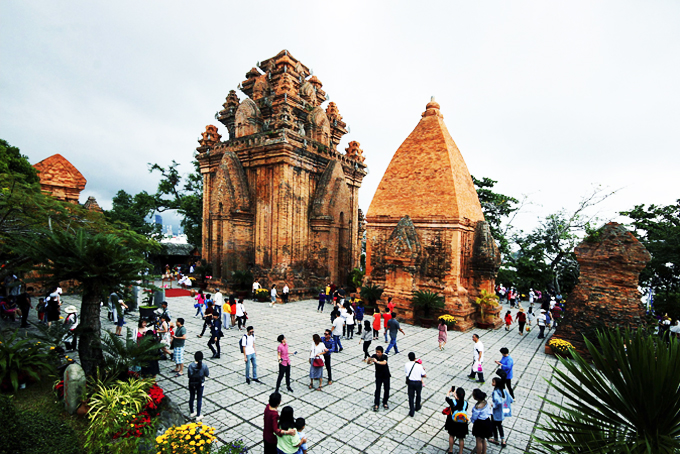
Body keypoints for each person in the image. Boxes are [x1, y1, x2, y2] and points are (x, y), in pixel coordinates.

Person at [489, 377, 513, 447]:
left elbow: (498, 402)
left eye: (493, 382)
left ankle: (496, 439)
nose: (492, 383)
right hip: (502, 413)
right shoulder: (504, 391)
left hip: (496, 412)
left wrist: (494, 405)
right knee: (499, 425)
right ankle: (503, 440)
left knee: (494, 425)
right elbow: (511, 399)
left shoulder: (495, 392)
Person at [445, 386, 469, 454]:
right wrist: (456, 396)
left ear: (457, 395)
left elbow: (447, 398)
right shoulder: (466, 403)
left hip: (453, 422)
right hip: (462, 423)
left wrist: (449, 392)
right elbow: (460, 403)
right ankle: (460, 452)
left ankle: (451, 450)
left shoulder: (452, 402)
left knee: (451, 435)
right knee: (461, 438)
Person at [187, 351, 209, 421]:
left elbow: (189, 375)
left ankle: (192, 412)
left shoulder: (191, 365)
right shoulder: (204, 366)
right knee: (199, 399)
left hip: (192, 383)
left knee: (191, 397)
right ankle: (198, 415)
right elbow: (207, 374)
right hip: (200, 383)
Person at [367, 345, 390, 411]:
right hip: (378, 375)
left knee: (386, 389)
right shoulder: (374, 356)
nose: (377, 353)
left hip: (386, 375)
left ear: (381, 352)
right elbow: (369, 362)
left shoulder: (384, 356)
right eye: (376, 352)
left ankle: (385, 402)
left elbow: (384, 363)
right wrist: (369, 360)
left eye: (378, 352)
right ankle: (376, 403)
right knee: (377, 389)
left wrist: (377, 361)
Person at [470, 388, 493, 454]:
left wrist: (473, 421)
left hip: (480, 424)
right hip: (487, 421)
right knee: (483, 439)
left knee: (478, 441)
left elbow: (474, 416)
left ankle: (479, 453)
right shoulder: (485, 402)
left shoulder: (477, 407)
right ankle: (484, 452)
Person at [405, 352, 426, 417]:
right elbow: (424, 375)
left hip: (411, 382)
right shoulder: (419, 366)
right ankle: (417, 406)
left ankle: (411, 411)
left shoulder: (406, 364)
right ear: (415, 358)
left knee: (411, 397)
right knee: (418, 395)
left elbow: (407, 373)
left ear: (408, 358)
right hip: (418, 382)